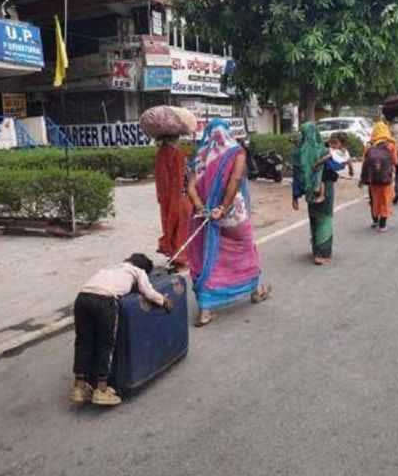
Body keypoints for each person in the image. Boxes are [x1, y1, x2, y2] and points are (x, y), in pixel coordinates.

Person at [187, 119, 271, 327]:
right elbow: (234, 181)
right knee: (246, 252)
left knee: (209, 259)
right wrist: (222, 208)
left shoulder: (200, 155)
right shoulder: (237, 151)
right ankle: (255, 290)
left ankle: (205, 310)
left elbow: (190, 188)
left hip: (206, 217)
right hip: (233, 216)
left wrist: (201, 207)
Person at [71, 254, 172, 406]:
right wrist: (164, 301)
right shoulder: (138, 271)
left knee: (83, 342)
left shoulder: (111, 267)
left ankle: (80, 387)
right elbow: (148, 291)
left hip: (82, 299)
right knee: (106, 344)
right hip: (104, 301)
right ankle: (102, 390)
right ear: (144, 267)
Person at [292, 125, 344, 265]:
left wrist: (295, 197)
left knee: (314, 218)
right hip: (326, 189)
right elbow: (338, 166)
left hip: (310, 192)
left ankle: (315, 249)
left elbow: (297, 177)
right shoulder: (323, 151)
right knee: (325, 219)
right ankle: (322, 254)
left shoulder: (298, 154)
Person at [155, 137, 192, 270]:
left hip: (166, 199)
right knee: (183, 226)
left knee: (171, 225)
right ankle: (181, 257)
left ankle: (173, 253)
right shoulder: (178, 154)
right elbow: (185, 176)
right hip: (181, 197)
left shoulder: (161, 154)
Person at [360, 122, 398, 232]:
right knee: (386, 199)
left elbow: (364, 163)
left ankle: (375, 221)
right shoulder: (391, 145)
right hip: (386, 177)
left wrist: (363, 177)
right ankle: (383, 225)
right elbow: (396, 161)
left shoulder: (369, 146)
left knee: (375, 199)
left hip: (373, 179)